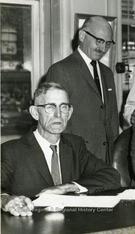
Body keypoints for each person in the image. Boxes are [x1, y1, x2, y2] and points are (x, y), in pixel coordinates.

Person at [1, 82, 120, 217]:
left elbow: (112, 176)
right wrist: (5, 200)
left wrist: (67, 187)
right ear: (35, 113)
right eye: (50, 107)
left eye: (64, 107)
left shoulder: (75, 145)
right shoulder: (11, 151)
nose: (58, 114)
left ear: (69, 113)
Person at [46, 16, 119, 164]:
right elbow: (55, 122)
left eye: (108, 43)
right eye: (99, 41)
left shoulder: (107, 73)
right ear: (82, 35)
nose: (103, 48)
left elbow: (111, 119)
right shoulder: (61, 70)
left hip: (106, 161)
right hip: (77, 160)